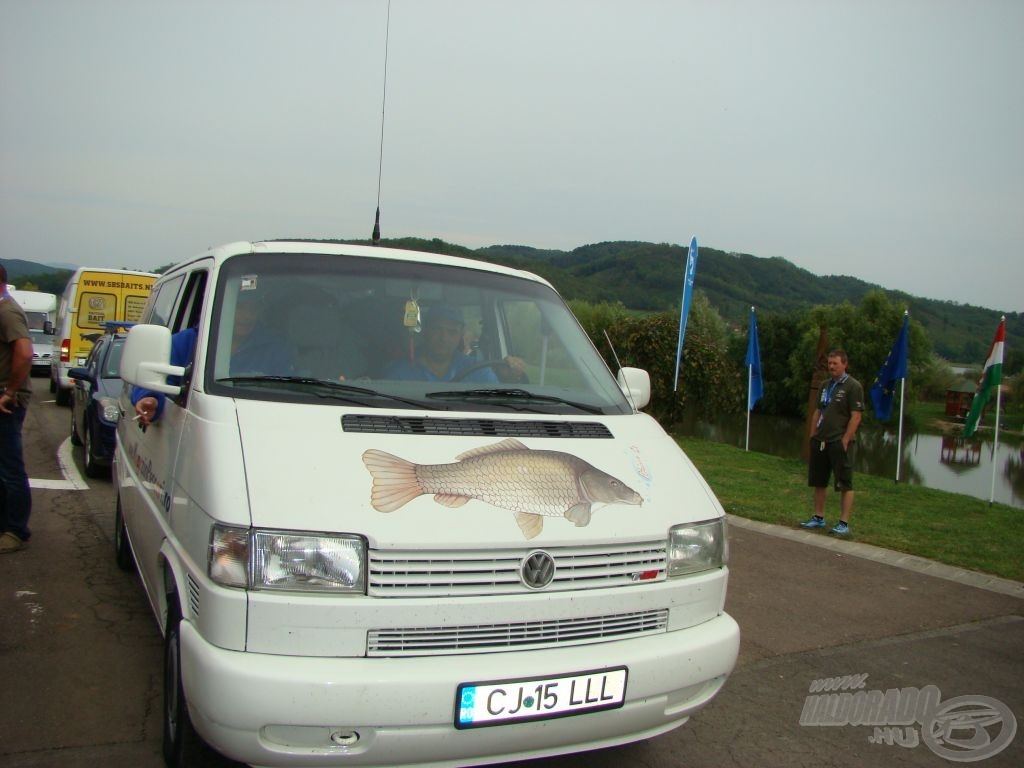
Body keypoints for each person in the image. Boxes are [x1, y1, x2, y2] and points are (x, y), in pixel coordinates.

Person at [133, 289, 291, 426]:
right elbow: (154, 377)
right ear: (219, 308)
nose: (247, 316)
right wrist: (149, 398)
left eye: (253, 309)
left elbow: (289, 391)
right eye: (239, 307)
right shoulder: (185, 342)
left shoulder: (276, 347)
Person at [800, 348, 864, 535]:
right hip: (821, 440)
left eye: (835, 363)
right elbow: (818, 411)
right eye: (829, 363)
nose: (831, 367)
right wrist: (813, 434)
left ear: (845, 364)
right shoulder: (825, 385)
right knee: (819, 481)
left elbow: (856, 417)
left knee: (845, 482)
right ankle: (818, 517)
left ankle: (843, 523)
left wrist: (845, 439)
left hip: (839, 440)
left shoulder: (853, 387)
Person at [0, 263, 34, 554]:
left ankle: (15, 530)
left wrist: (9, 391)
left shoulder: (7, 312)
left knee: (10, 469)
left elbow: (24, 353)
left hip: (6, 402)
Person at [384, 305, 500, 383]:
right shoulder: (399, 372)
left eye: (452, 332)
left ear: (461, 334)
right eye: (437, 329)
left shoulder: (477, 369)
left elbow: (497, 404)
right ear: (425, 331)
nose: (444, 338)